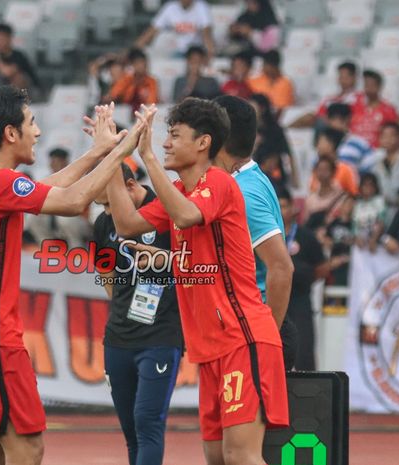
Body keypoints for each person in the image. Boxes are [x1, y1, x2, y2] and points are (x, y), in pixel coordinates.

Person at [0, 87, 145, 465]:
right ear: (10, 133)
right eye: (31, 124)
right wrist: (121, 149)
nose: (37, 132)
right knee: (27, 448)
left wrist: (99, 151)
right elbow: (73, 202)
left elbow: (51, 187)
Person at [107, 100, 288, 465]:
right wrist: (114, 157)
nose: (166, 143)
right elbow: (125, 224)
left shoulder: (218, 183)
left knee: (241, 455)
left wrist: (148, 159)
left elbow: (188, 216)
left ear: (203, 143)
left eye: (174, 135)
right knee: (218, 457)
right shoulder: (180, 192)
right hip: (209, 349)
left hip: (242, 337)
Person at [93, 163, 183, 465]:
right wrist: (122, 302)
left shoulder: (166, 211)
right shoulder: (103, 224)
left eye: (109, 202)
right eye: (102, 205)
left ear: (130, 187)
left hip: (160, 337)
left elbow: (192, 266)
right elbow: (104, 270)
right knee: (131, 432)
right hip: (117, 338)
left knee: (147, 423)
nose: (107, 211)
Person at [212, 95, 296, 369]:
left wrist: (265, 338)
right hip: (240, 327)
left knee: (251, 413)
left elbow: (282, 267)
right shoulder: (244, 181)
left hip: (252, 330)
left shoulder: (244, 193)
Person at [277, 187, 327, 371]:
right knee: (277, 347)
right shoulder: (267, 234)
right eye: (278, 206)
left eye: (285, 206)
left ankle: (309, 394)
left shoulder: (306, 236)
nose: (282, 211)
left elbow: (321, 267)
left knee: (304, 348)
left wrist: (303, 278)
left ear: (293, 208)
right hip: (274, 298)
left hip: (300, 298)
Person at [291, 62, 359, 129]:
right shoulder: (329, 98)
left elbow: (356, 117)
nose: (343, 80)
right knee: (309, 116)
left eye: (346, 77)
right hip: (325, 126)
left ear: (354, 78)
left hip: (343, 126)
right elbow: (320, 115)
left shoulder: (359, 97)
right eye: (341, 76)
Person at [135, 0, 215, 57]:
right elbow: (151, 31)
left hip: (196, 51)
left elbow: (207, 34)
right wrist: (134, 51)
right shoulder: (170, 7)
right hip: (177, 52)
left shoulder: (201, 6)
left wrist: (210, 54)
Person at [0, 24, 41, 96]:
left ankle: (15, 104)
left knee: (17, 78)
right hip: (1, 88)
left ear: (9, 38)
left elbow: (7, 72)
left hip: (27, 91)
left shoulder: (18, 55)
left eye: (0, 39)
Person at [249, 93, 296, 188]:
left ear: (262, 108)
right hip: (250, 175)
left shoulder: (274, 130)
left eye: (252, 107)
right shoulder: (246, 130)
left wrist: (295, 179)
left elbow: (285, 154)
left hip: (272, 176)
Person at [350, 70, 398, 147]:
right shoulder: (354, 106)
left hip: (376, 152)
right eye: (366, 85)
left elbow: (394, 133)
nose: (368, 88)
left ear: (379, 87)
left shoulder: (389, 110)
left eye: (372, 85)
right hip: (354, 150)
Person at [325, 103, 377, 174]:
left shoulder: (360, 144)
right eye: (333, 119)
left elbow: (371, 167)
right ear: (327, 121)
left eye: (341, 119)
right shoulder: (322, 144)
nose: (336, 123)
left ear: (348, 119)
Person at [310, 128, 359, 196]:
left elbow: (353, 194)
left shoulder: (345, 170)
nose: (318, 146)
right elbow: (312, 192)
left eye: (321, 142)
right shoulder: (316, 169)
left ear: (331, 145)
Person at [304, 156, 348, 229]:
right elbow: (306, 222)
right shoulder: (310, 199)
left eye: (326, 169)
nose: (322, 173)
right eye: (320, 169)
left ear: (333, 172)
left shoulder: (341, 196)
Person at [352, 173, 386, 253]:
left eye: (371, 185)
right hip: (360, 242)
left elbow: (381, 221)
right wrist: (356, 238)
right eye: (365, 185)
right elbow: (354, 226)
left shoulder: (380, 201)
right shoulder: (357, 204)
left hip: (377, 238)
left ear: (375, 187)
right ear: (361, 187)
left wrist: (373, 239)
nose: (368, 188)